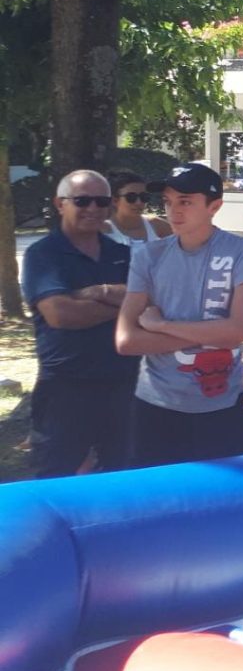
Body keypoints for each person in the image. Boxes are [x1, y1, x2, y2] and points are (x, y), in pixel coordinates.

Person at [114, 163, 243, 467]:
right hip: (155, 403)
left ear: (215, 206)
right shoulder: (149, 255)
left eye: (185, 201)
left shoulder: (242, 251)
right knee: (158, 499)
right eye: (168, 202)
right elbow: (126, 340)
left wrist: (161, 326)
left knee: (226, 500)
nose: (174, 211)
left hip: (222, 403)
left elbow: (235, 332)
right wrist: (206, 335)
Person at [24, 170, 138, 477]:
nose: (93, 208)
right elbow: (61, 315)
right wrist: (123, 304)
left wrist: (96, 293)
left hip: (123, 385)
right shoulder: (43, 255)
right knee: (56, 479)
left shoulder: (123, 255)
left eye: (101, 201)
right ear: (60, 204)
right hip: (65, 389)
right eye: (82, 200)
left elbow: (148, 304)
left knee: (121, 480)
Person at [102, 169, 173, 248]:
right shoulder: (102, 230)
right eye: (131, 197)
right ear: (114, 200)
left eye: (143, 197)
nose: (139, 202)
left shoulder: (158, 226)